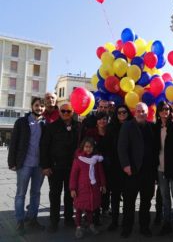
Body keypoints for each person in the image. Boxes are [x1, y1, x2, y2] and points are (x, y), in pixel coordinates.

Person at [118, 102, 157, 238]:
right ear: (135, 112)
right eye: (139, 111)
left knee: (146, 202)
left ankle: (144, 227)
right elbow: (122, 147)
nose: (141, 113)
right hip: (132, 171)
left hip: (148, 172)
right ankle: (127, 227)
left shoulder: (152, 126)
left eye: (144, 111)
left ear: (147, 113)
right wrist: (126, 165)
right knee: (129, 202)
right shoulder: (127, 126)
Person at [8, 97, 46, 235]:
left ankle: (33, 219)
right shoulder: (21, 122)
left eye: (42, 106)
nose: (39, 108)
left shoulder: (45, 124)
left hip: (39, 166)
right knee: (20, 194)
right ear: (31, 107)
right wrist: (11, 162)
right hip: (24, 164)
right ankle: (20, 220)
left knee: (36, 193)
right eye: (37, 105)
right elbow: (13, 143)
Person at [40, 103, 80, 233]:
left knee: (70, 194)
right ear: (60, 112)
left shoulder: (78, 126)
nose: (65, 113)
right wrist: (45, 166)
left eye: (68, 111)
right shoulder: (51, 127)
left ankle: (69, 218)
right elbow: (44, 147)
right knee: (55, 194)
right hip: (55, 167)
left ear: (72, 112)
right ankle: (54, 221)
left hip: (72, 167)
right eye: (63, 111)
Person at [153, 101, 173, 241]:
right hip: (160, 169)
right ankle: (167, 224)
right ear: (158, 112)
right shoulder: (155, 127)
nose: (164, 111)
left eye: (167, 109)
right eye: (162, 109)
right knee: (165, 198)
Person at [69, 137, 106, 239]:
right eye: (86, 147)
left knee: (91, 208)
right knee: (79, 209)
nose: (88, 149)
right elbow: (73, 175)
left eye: (90, 147)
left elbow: (100, 173)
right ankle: (78, 226)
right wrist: (72, 188)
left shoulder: (96, 159)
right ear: (83, 147)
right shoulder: (78, 160)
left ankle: (90, 225)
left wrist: (103, 184)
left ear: (93, 148)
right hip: (81, 189)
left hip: (93, 188)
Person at [104, 105, 133, 231]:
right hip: (115, 167)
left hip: (129, 167)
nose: (121, 114)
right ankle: (114, 221)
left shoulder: (133, 126)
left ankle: (127, 222)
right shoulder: (111, 128)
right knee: (115, 196)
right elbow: (107, 146)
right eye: (119, 112)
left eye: (124, 112)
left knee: (128, 197)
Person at [84, 112, 109, 224]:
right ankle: (93, 214)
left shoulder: (110, 132)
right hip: (94, 165)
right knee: (93, 190)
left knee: (105, 189)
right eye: (99, 119)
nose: (102, 121)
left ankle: (104, 209)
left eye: (104, 119)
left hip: (107, 165)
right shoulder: (90, 133)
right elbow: (86, 148)